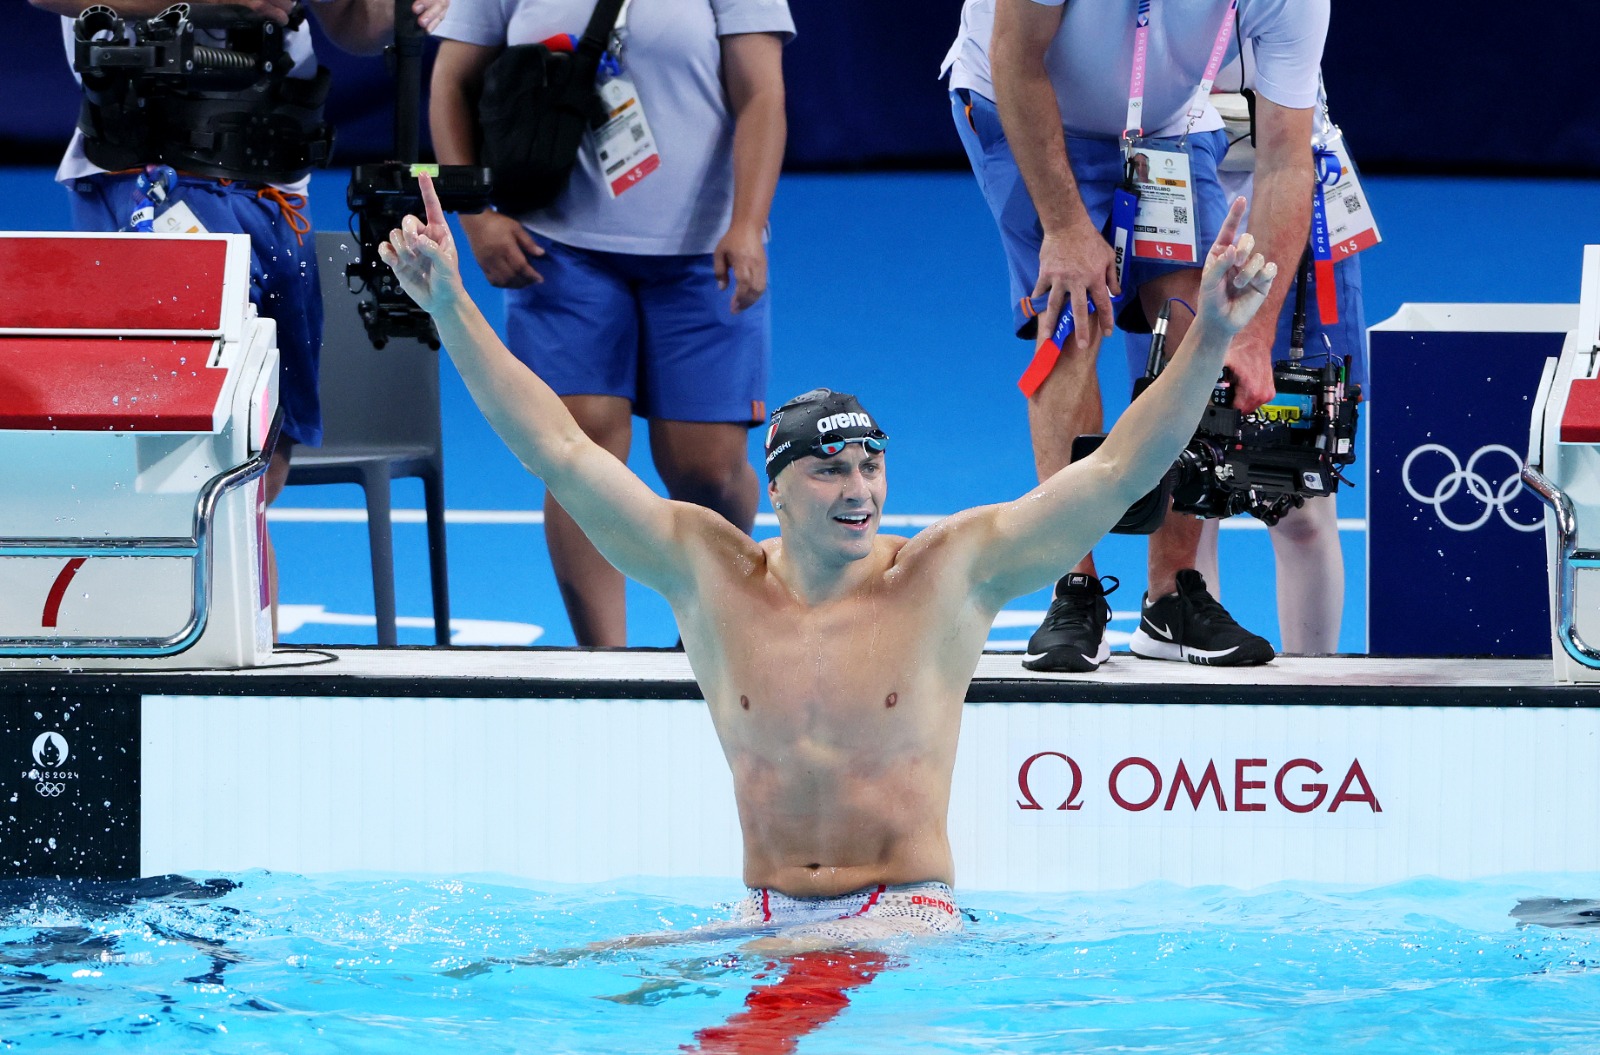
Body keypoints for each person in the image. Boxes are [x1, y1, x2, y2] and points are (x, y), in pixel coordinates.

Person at [379, 172, 1278, 947]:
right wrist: (452, 309)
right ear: (777, 489)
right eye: (830, 470)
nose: (860, 489)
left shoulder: (944, 576)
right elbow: (560, 451)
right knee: (564, 978)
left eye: (870, 464)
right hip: (765, 910)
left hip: (907, 916)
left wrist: (1208, 339)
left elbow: (1118, 471)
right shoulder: (709, 573)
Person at [31, 0, 449, 637]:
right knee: (175, 464)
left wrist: (397, 9)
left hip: (277, 192)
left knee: (257, 468)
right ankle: (157, 658)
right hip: (151, 178)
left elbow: (351, 24)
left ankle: (246, 667)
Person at [943, 0, 1329, 672]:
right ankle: (1076, 586)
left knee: (1196, 332)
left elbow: (1287, 158)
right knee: (1071, 319)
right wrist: (1064, 226)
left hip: (1169, 125)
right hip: (1017, 97)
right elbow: (1015, 53)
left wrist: (1251, 331)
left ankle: (1171, 596)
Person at [428, 0, 792, 647]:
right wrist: (475, 213)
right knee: (579, 453)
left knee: (707, 467)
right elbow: (451, 80)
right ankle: (604, 664)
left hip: (703, 253)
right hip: (558, 253)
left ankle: (707, 644)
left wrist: (746, 222)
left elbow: (761, 93)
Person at [1135, 60, 1370, 655]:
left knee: (1304, 503)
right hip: (1174, 207)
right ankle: (1198, 684)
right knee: (1188, 493)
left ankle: (1315, 695)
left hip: (1294, 220)